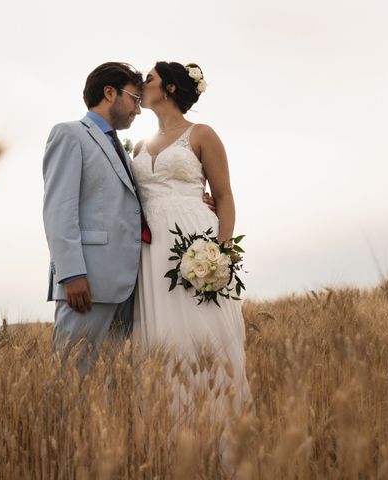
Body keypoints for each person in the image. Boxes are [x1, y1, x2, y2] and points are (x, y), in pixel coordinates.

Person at [42, 62, 214, 377]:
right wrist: (72, 275)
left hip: (129, 286)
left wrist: (194, 202)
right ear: (110, 93)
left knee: (105, 384)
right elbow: (58, 210)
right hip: (87, 284)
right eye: (135, 99)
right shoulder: (70, 134)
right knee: (70, 376)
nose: (138, 109)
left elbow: (138, 201)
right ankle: (61, 430)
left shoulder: (122, 148)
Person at [131, 62, 252, 427]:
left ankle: (215, 429)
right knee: (158, 338)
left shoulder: (201, 134)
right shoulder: (137, 145)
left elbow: (225, 197)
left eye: (148, 79)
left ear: (168, 88)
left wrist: (221, 253)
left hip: (192, 244)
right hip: (149, 250)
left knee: (200, 334)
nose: (141, 84)